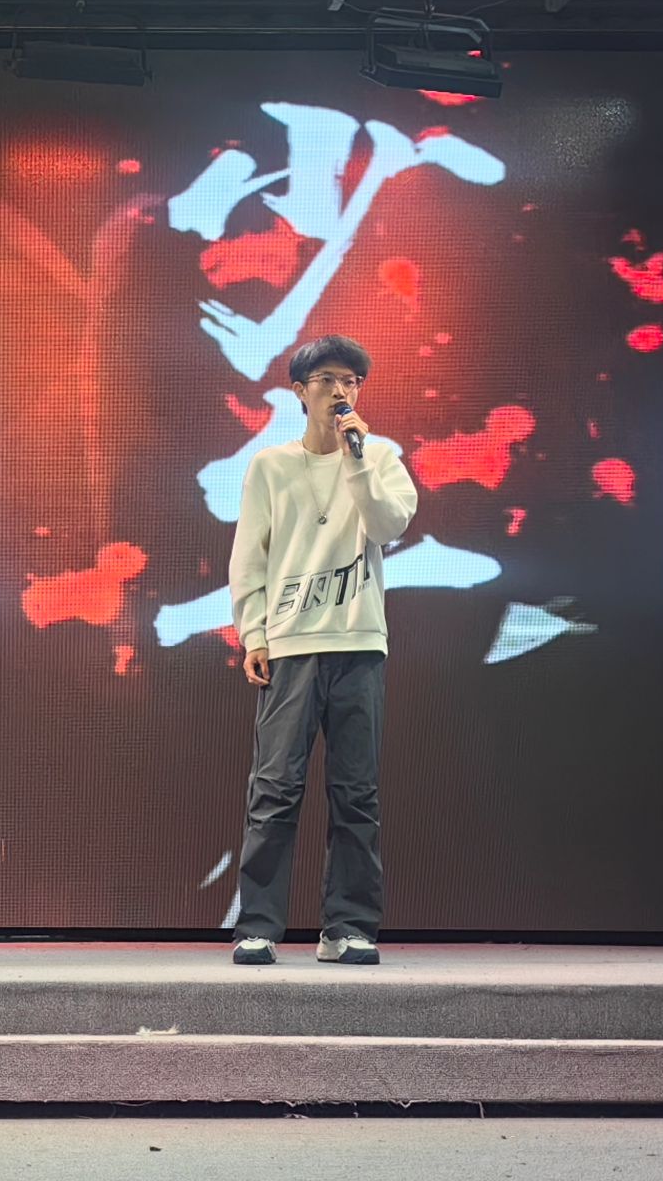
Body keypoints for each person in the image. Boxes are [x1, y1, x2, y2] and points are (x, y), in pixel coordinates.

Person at [226, 334, 418, 966]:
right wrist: (255, 633)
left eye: (351, 381)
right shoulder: (270, 467)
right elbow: (248, 558)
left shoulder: (380, 456)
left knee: (356, 794)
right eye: (328, 379)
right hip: (291, 647)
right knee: (275, 788)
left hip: (359, 644)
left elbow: (388, 525)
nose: (341, 391)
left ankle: (347, 928)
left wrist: (356, 460)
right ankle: (258, 926)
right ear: (299, 392)